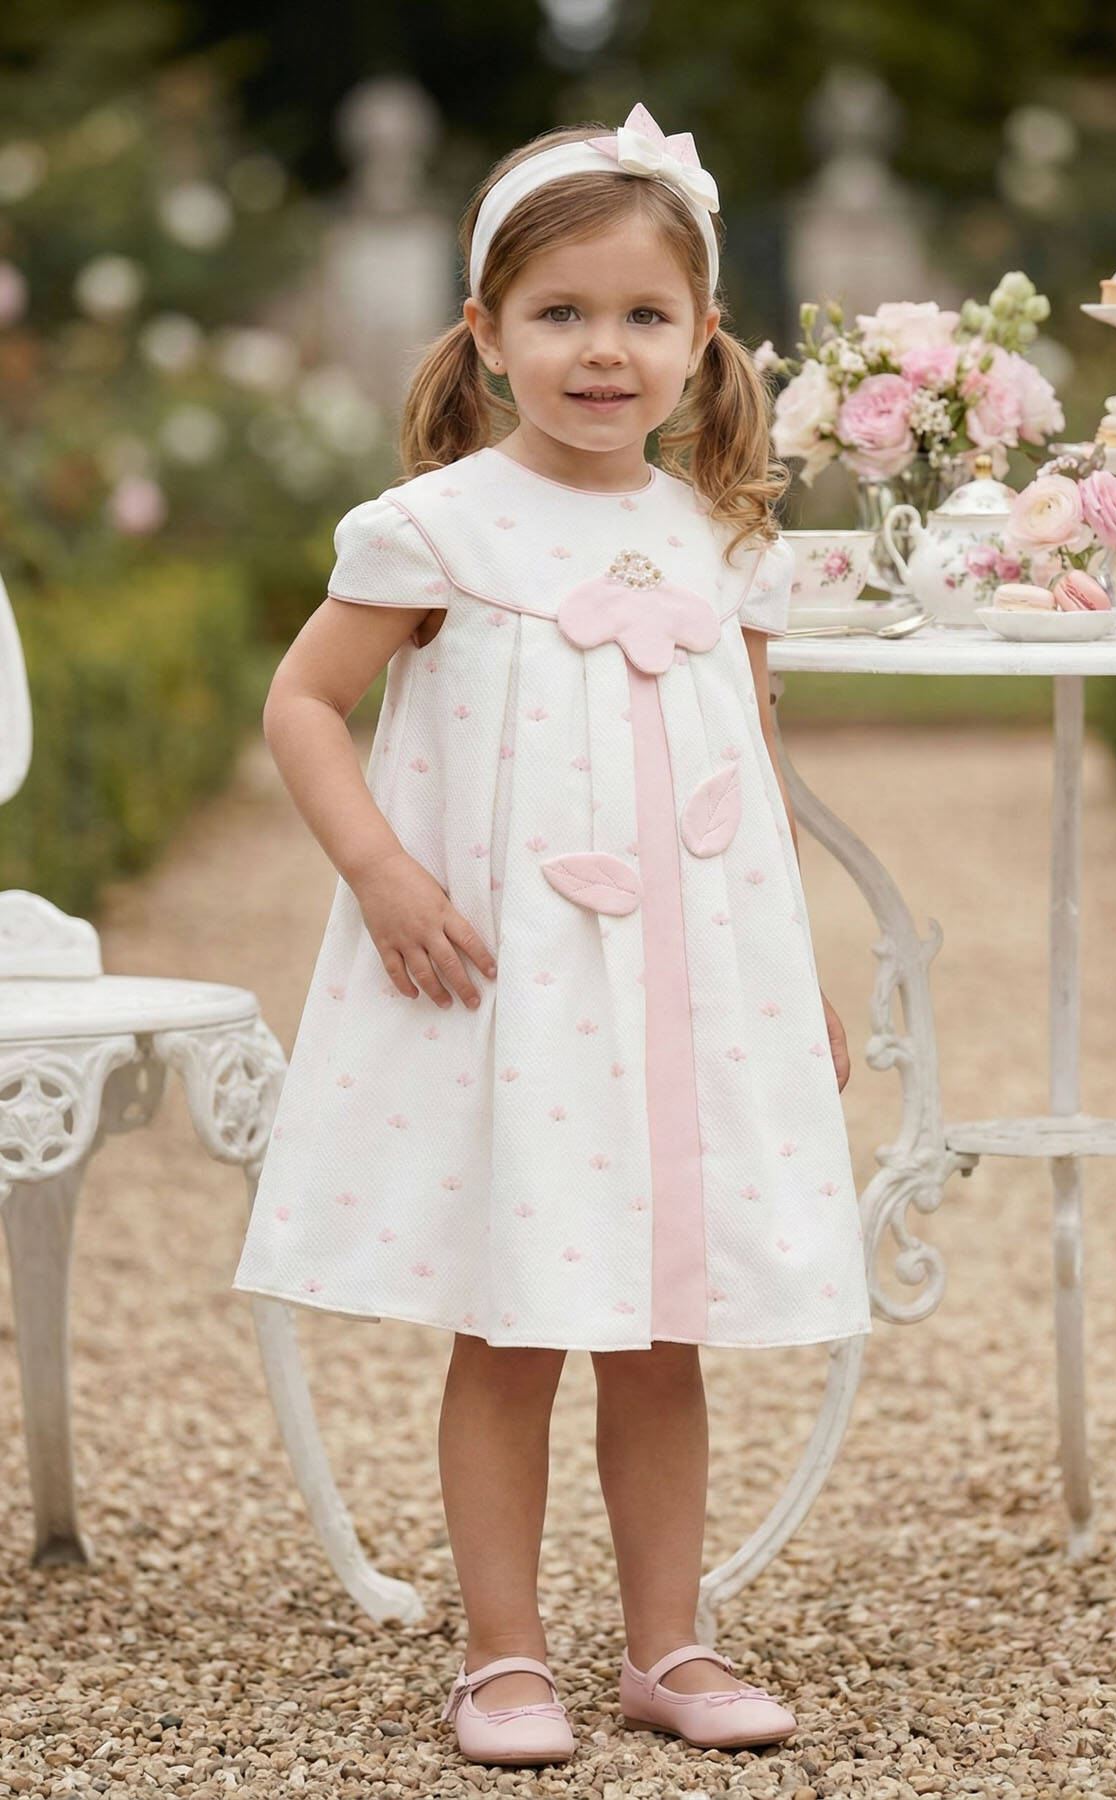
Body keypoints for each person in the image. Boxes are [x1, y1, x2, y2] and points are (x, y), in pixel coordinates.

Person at [232, 100, 873, 1768]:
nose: (604, 349)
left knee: (665, 1333)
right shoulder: (437, 527)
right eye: (562, 313)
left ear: (703, 334)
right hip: (522, 997)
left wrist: (792, 970)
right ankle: (503, 1657)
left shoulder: (719, 540)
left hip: (684, 996)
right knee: (514, 1325)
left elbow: (750, 768)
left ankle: (669, 1645)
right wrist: (380, 871)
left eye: (645, 314)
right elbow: (301, 702)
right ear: (486, 331)